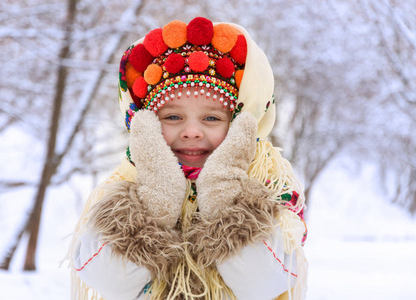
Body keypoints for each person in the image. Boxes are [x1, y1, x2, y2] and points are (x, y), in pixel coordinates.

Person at [69, 17, 308, 300]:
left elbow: (261, 284)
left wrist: (226, 196)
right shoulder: (123, 189)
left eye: (211, 117)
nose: (192, 132)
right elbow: (111, 280)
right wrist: (154, 198)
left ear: (242, 124)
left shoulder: (271, 189)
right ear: (144, 124)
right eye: (172, 117)